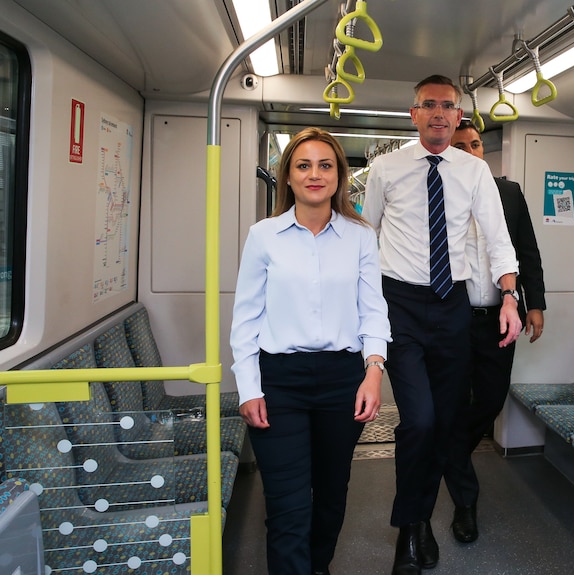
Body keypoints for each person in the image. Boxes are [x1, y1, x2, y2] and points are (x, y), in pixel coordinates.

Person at [362, 75, 522, 575]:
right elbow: (365, 242)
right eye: (428, 105)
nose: (437, 113)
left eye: (447, 106)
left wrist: (511, 296)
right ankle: (410, 529)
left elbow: (498, 238)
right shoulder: (384, 170)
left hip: (451, 303)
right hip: (401, 304)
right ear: (413, 115)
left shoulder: (474, 172)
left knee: (446, 422)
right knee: (421, 421)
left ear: (458, 117)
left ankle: (420, 520)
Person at [230, 127, 391, 575]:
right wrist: (248, 388)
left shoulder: (360, 237)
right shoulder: (263, 236)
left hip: (342, 379)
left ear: (340, 175)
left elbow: (373, 311)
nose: (314, 174)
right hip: (278, 381)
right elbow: (245, 319)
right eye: (304, 165)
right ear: (288, 176)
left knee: (331, 493)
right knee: (288, 503)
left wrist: (373, 372)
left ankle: (317, 566)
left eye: (325, 165)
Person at [443, 121, 546, 543]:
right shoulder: (439, 192)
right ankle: (466, 504)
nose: (471, 152)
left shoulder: (509, 192)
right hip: (451, 319)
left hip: (499, 317)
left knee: (490, 399)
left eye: (476, 145)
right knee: (448, 403)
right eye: (461, 146)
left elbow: (527, 251)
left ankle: (445, 455)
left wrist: (534, 303)